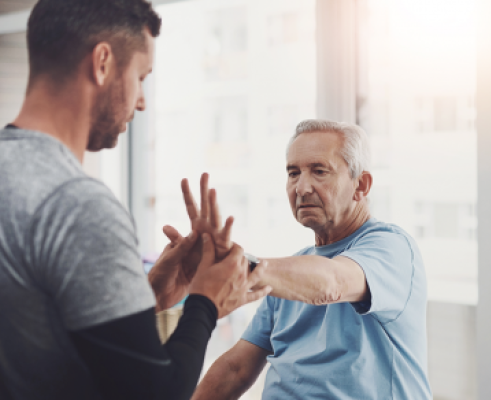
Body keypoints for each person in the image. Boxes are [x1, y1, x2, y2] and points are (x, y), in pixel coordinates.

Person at [0, 1, 270, 399]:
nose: (141, 101)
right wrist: (205, 301)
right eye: (141, 77)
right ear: (103, 62)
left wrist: (146, 298)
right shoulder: (76, 204)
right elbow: (154, 393)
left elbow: (30, 332)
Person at [183, 119, 432, 399]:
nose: (301, 188)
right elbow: (235, 368)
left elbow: (332, 282)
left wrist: (237, 266)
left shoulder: (391, 247)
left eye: (319, 171)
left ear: (361, 184)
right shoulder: (290, 272)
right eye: (293, 173)